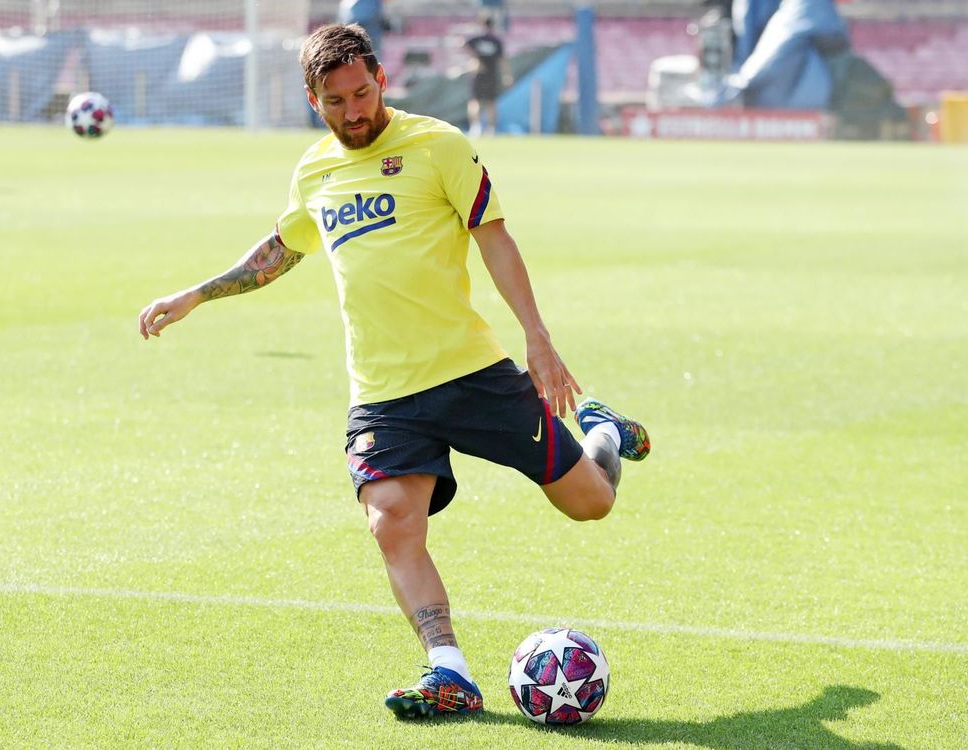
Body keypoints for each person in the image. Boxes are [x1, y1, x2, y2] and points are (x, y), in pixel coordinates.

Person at [137, 23, 650, 720]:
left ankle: (603, 434)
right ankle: (449, 670)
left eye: (361, 92)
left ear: (380, 77)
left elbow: (494, 237)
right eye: (335, 100)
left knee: (590, 501)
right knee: (391, 522)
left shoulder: (438, 145)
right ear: (313, 100)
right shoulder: (314, 170)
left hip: (471, 372)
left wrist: (537, 338)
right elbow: (282, 249)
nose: (354, 111)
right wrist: (195, 295)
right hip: (383, 393)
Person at [464, 15, 511, 137]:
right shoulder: (492, 40)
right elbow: (503, 60)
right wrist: (507, 75)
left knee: (482, 102)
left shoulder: (484, 39)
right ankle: (483, 128)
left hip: (485, 74)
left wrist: (474, 58)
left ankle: (482, 128)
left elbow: (463, 44)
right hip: (485, 74)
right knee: (483, 102)